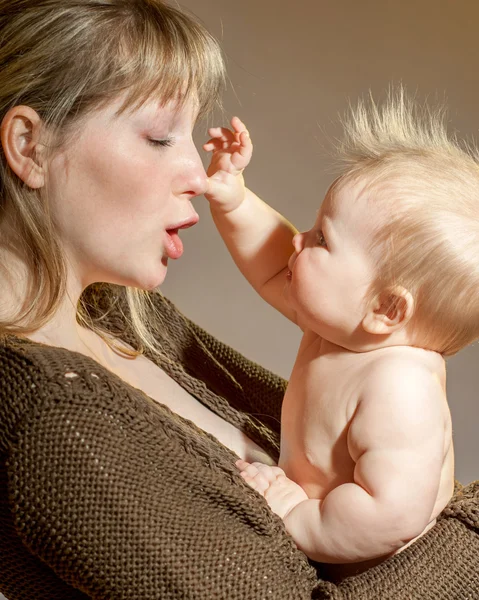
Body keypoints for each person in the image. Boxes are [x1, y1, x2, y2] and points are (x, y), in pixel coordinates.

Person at [0, 1, 478, 598]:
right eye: (157, 136)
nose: (196, 174)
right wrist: (466, 529)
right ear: (30, 145)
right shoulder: (54, 424)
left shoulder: (119, 314)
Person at [203, 90, 479, 571]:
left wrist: (299, 516)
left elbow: (389, 513)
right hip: (326, 531)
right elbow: (275, 265)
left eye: (322, 239)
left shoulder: (400, 387)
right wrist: (234, 197)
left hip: (377, 570)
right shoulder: (347, 328)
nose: (297, 238)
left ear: (386, 307)